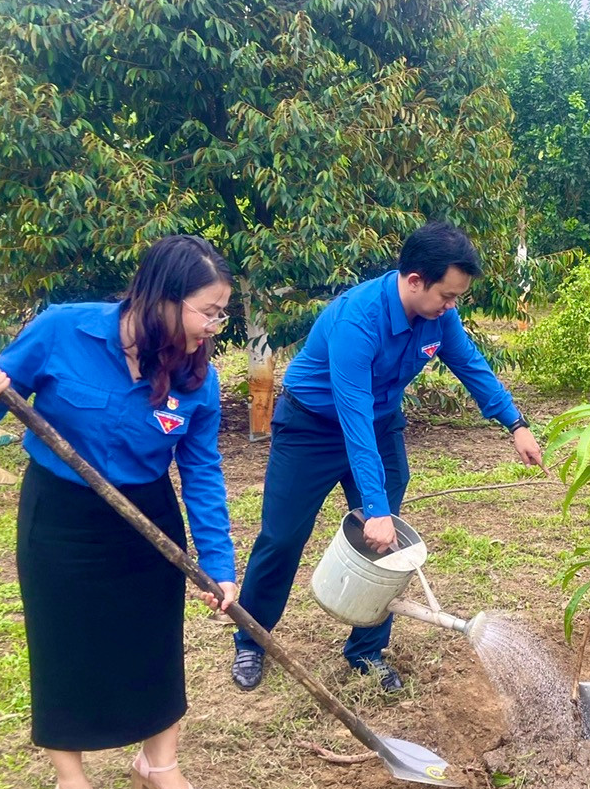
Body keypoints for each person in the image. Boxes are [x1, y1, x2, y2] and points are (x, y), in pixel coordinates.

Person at [0, 235, 239, 789]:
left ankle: (159, 763)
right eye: (208, 311)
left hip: (148, 516)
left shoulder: (198, 375)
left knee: (154, 641)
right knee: (64, 646)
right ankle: (72, 786)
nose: (213, 328)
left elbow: (202, 470)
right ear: (161, 297)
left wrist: (219, 564)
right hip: (64, 513)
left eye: (220, 315)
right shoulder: (63, 329)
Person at [230, 221, 543, 693]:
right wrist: (372, 508)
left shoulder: (440, 317)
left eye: (457, 297)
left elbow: (471, 366)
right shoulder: (357, 321)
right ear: (415, 280)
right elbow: (353, 417)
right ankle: (251, 638)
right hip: (312, 427)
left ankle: (366, 650)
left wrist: (515, 423)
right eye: (447, 295)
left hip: (379, 422)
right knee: (282, 536)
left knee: (386, 543)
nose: (452, 305)